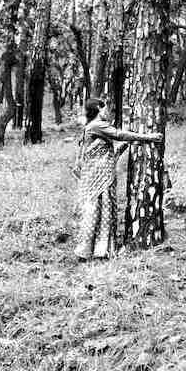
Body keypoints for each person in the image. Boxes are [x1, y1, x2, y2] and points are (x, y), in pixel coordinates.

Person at [73, 98, 162, 260]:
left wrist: (127, 143)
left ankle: (100, 249)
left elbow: (107, 151)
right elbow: (118, 135)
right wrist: (148, 137)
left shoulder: (94, 126)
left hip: (99, 175)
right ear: (98, 109)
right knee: (96, 210)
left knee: (103, 209)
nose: (107, 111)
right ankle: (89, 249)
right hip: (97, 176)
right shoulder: (96, 125)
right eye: (105, 108)